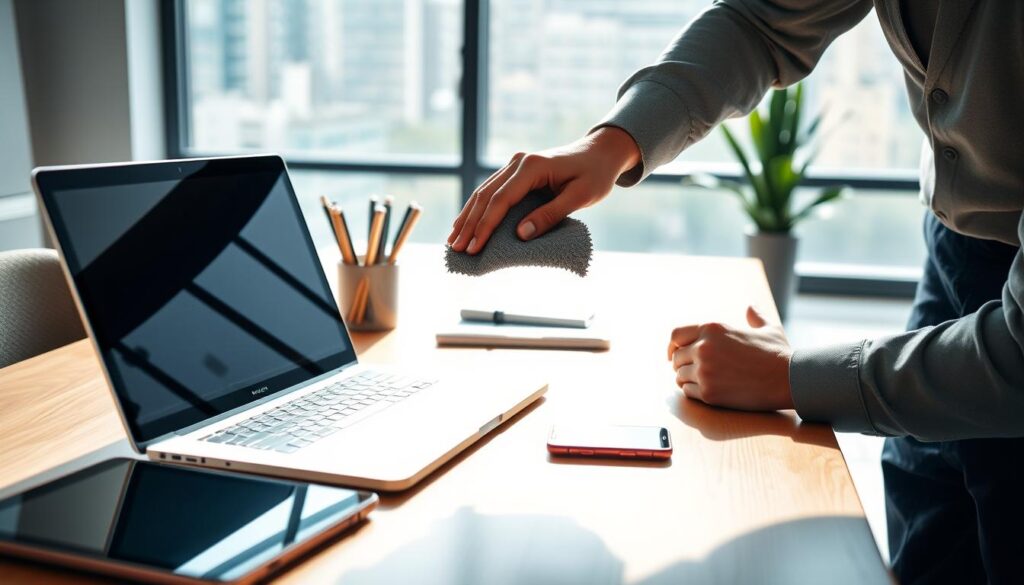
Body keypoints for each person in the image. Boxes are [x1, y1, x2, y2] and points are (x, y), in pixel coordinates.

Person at [447, 2, 1024, 583]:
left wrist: (789, 376)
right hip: (953, 244)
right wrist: (611, 143)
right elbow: (763, 21)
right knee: (926, 506)